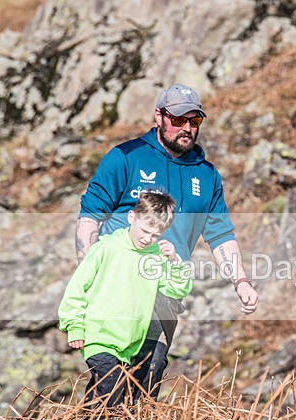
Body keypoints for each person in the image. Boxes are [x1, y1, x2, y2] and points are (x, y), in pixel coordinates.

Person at [75, 83, 259, 400]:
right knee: (111, 376)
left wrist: (241, 282)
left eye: (194, 121)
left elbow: (220, 235)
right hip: (118, 286)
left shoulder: (207, 175)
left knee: (150, 370)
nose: (187, 128)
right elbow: (90, 216)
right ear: (158, 116)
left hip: (164, 290)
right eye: (178, 119)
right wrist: (89, 273)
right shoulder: (125, 157)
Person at [59, 190, 192, 407]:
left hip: (130, 343)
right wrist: (74, 326)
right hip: (99, 337)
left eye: (156, 235)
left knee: (106, 393)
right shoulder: (106, 247)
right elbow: (77, 288)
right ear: (131, 217)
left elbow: (176, 290)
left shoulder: (156, 257)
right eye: (145, 231)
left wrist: (175, 262)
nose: (148, 239)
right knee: (112, 388)